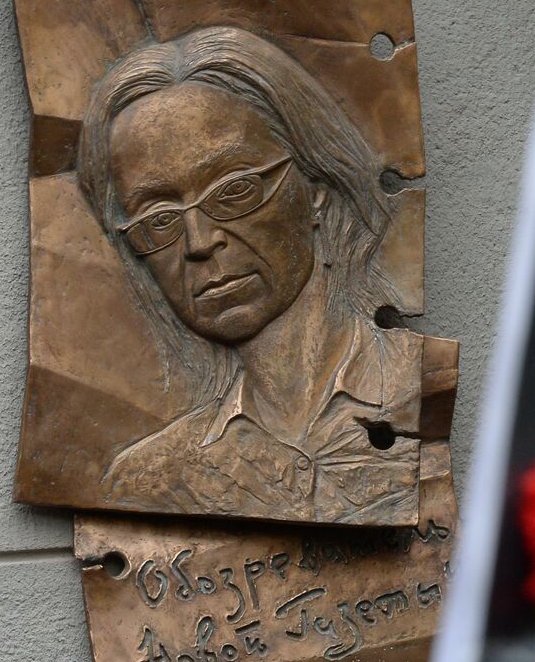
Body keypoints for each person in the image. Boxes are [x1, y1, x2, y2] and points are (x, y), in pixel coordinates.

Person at [77, 26, 421, 525]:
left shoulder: (417, 394)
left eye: (233, 191)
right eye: (160, 219)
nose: (198, 243)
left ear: (315, 188)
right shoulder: (151, 482)